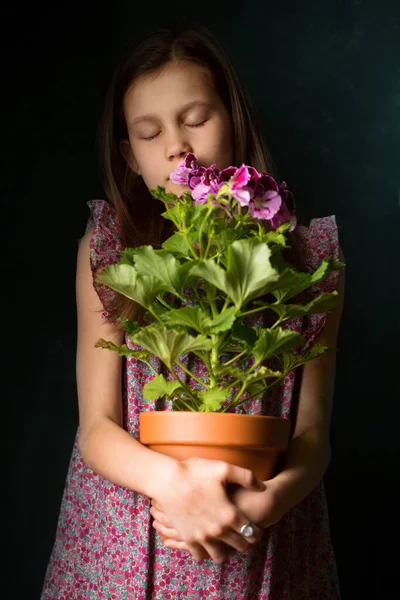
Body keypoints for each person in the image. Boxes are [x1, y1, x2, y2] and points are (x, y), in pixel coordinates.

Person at [41, 19, 345, 599]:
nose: (177, 146)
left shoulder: (312, 259)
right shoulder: (108, 250)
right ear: (129, 157)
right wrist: (174, 483)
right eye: (149, 134)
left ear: (233, 118)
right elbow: (96, 428)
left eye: (197, 119)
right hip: (132, 533)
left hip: (260, 535)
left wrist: (270, 502)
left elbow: (312, 435)